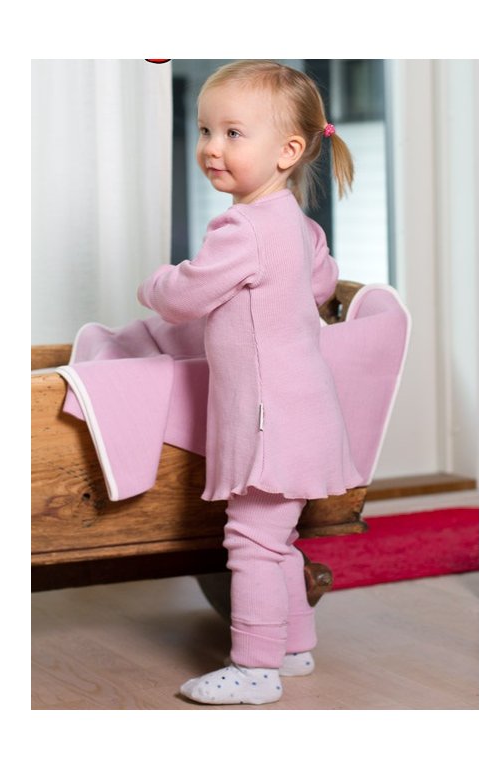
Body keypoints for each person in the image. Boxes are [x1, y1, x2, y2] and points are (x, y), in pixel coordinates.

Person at [137, 60, 362, 705]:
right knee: (276, 538)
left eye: (233, 133)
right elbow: (320, 284)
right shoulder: (298, 223)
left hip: (269, 419)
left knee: (252, 539)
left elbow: (184, 297)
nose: (212, 147)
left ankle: (256, 668)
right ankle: (292, 646)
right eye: (206, 130)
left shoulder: (242, 229)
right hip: (303, 408)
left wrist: (155, 283)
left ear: (287, 151)